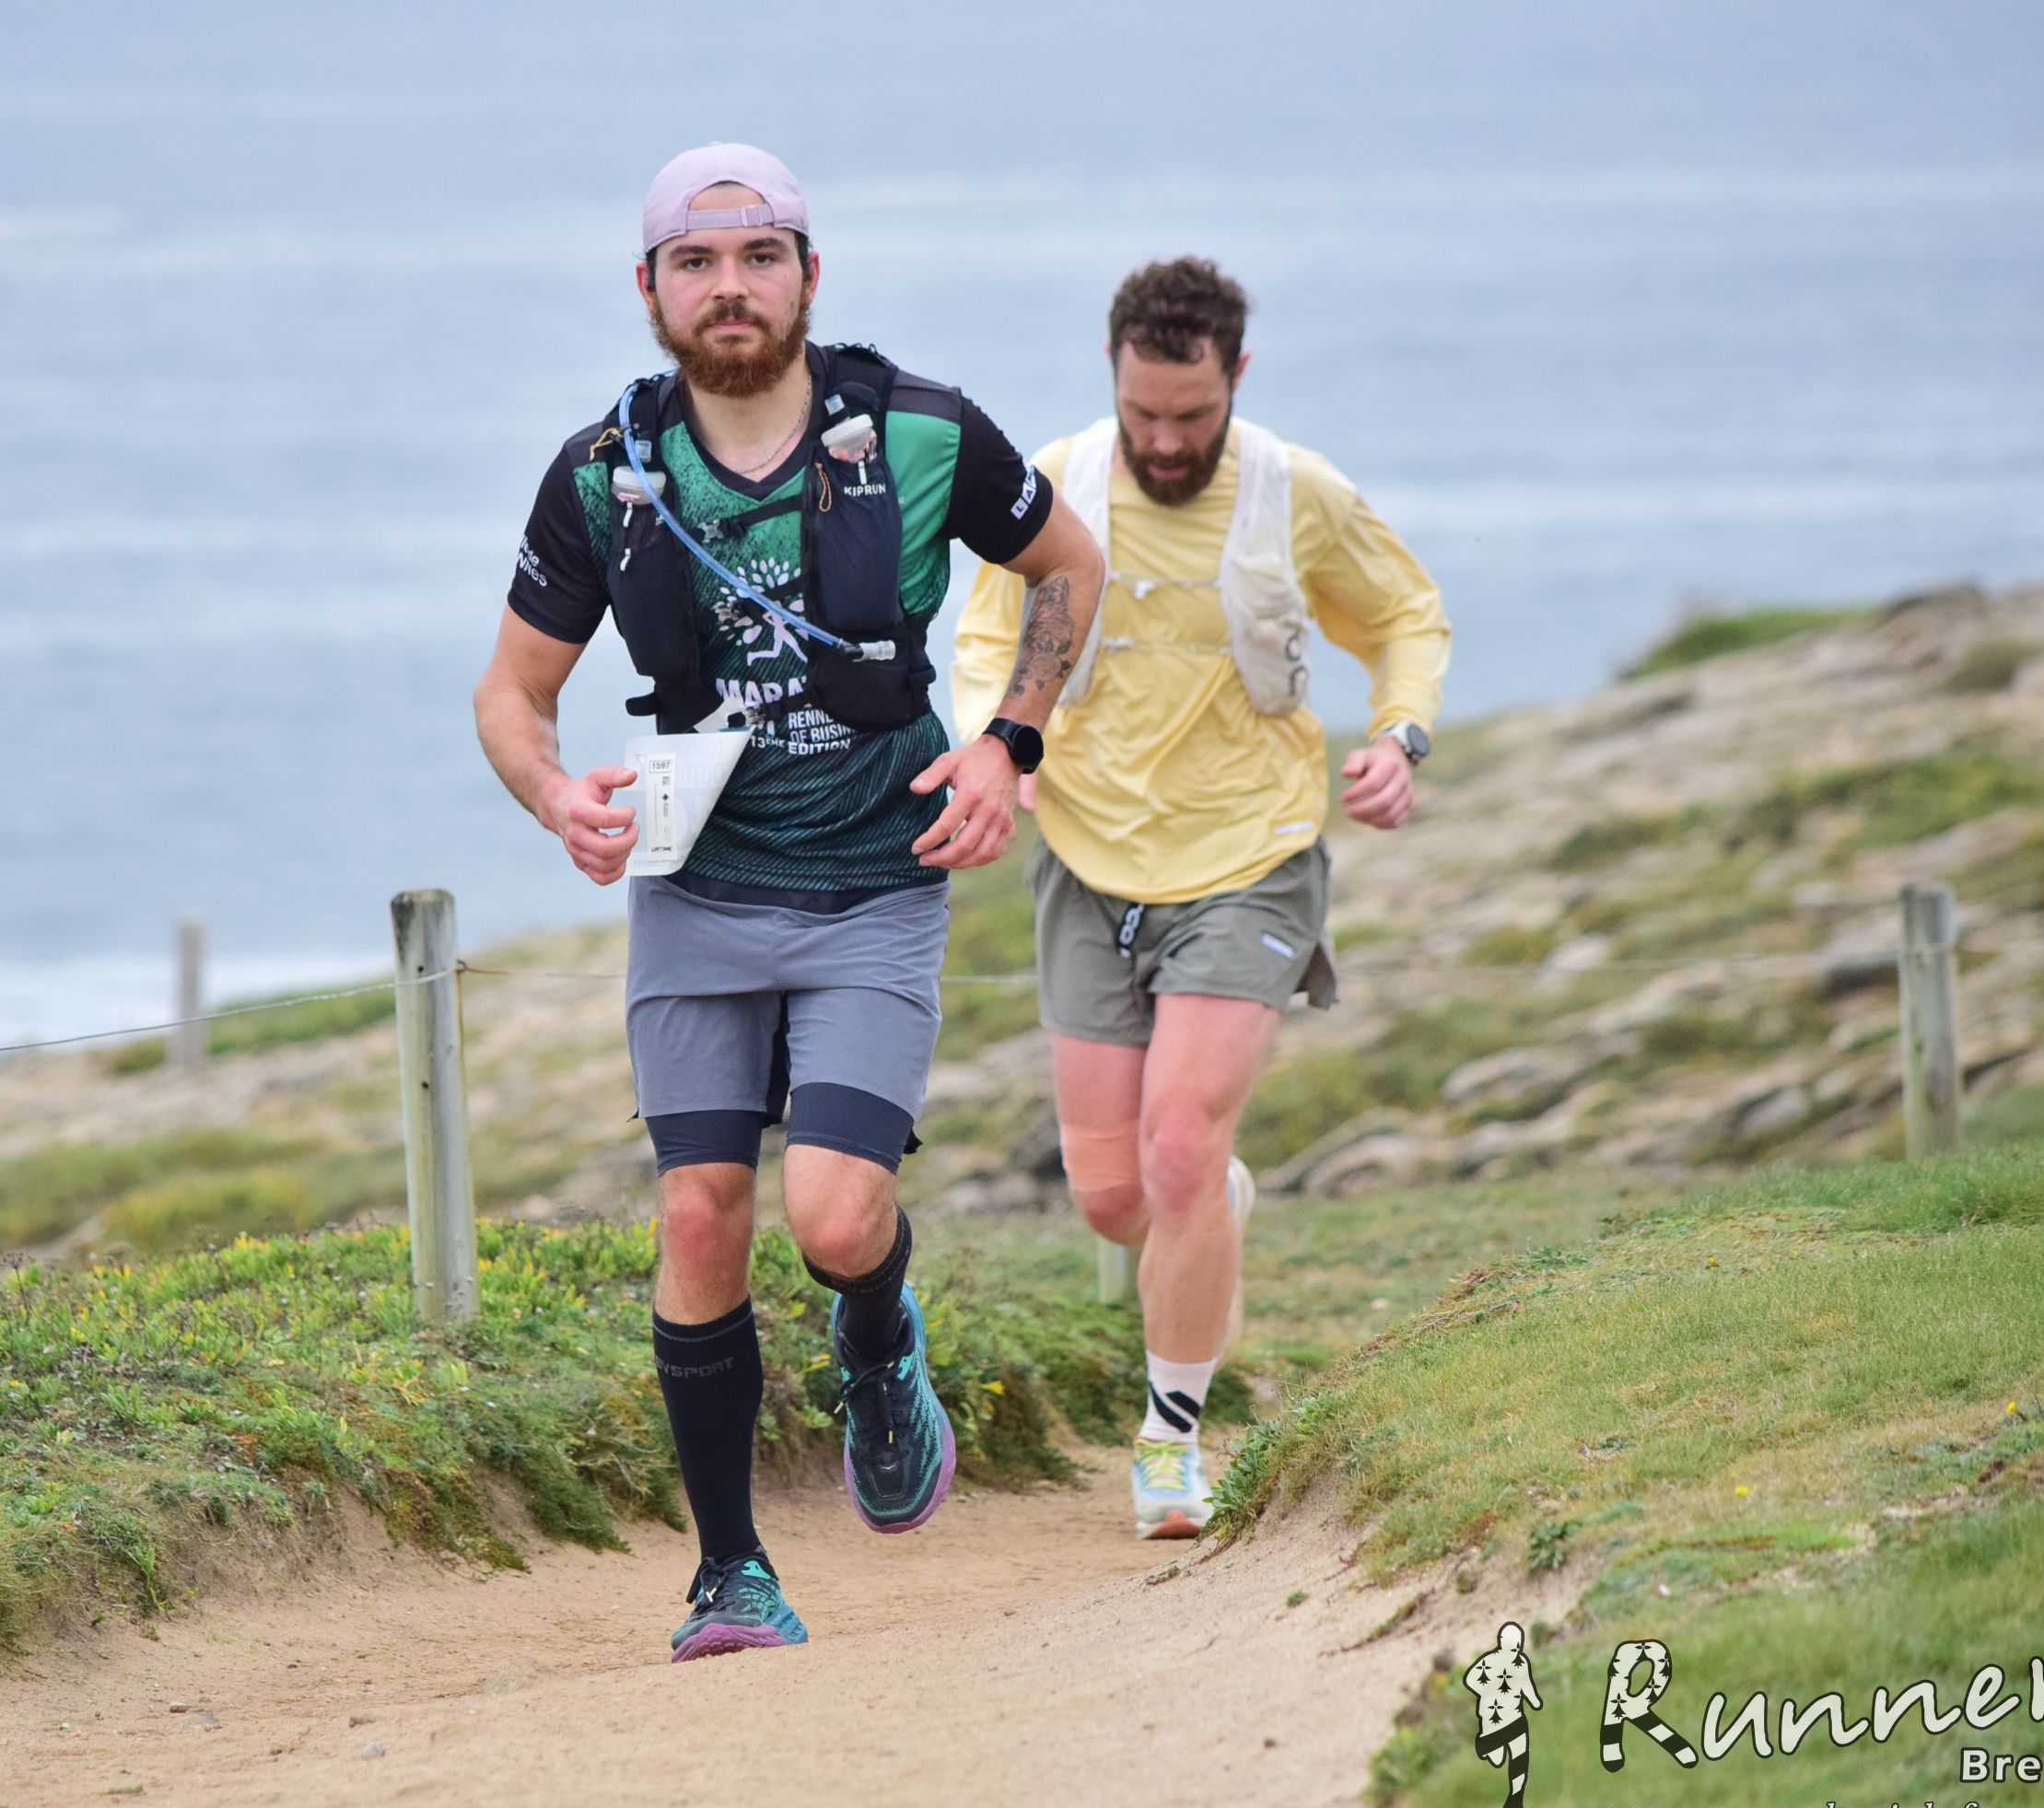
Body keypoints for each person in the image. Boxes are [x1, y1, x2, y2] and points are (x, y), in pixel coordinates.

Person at [473, 145, 1104, 1660]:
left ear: (810, 275)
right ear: (650, 291)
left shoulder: (923, 431)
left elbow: (1070, 570)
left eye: (760, 257)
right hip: (697, 884)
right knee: (699, 1211)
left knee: (831, 1216)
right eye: (696, 264)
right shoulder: (603, 473)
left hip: (875, 878)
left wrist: (1008, 745)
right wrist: (554, 795)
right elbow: (509, 691)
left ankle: (878, 1341)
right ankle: (731, 1573)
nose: (731, 288)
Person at [950, 256, 1449, 1540]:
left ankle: (1170, 1441)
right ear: (1111, 378)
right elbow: (988, 640)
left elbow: (1405, 616)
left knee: (1178, 1147)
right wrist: (994, 748)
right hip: (1088, 862)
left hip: (1251, 861)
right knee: (1115, 1195)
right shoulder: (1053, 484)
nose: (1167, 442)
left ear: (1238, 376)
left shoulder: (1296, 492)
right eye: (1144, 415)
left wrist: (1399, 736)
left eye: (1193, 415)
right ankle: (1209, 1212)